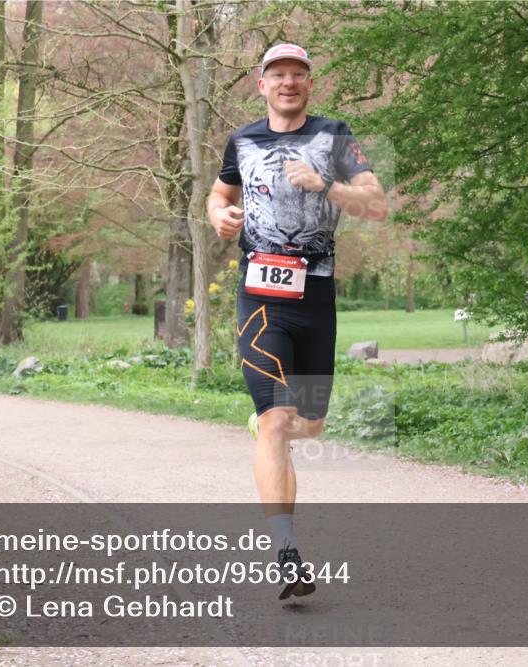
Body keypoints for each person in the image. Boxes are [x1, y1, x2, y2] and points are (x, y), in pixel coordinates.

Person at [207, 43, 387, 600]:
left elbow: (376, 205)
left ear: (310, 84)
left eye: (298, 75)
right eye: (277, 75)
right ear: (261, 85)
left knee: (309, 425)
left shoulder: (335, 136)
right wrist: (221, 216)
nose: (288, 83)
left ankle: (271, 426)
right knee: (278, 420)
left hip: (315, 298)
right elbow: (218, 194)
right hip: (261, 298)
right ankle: (285, 550)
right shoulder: (242, 139)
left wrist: (325, 185)